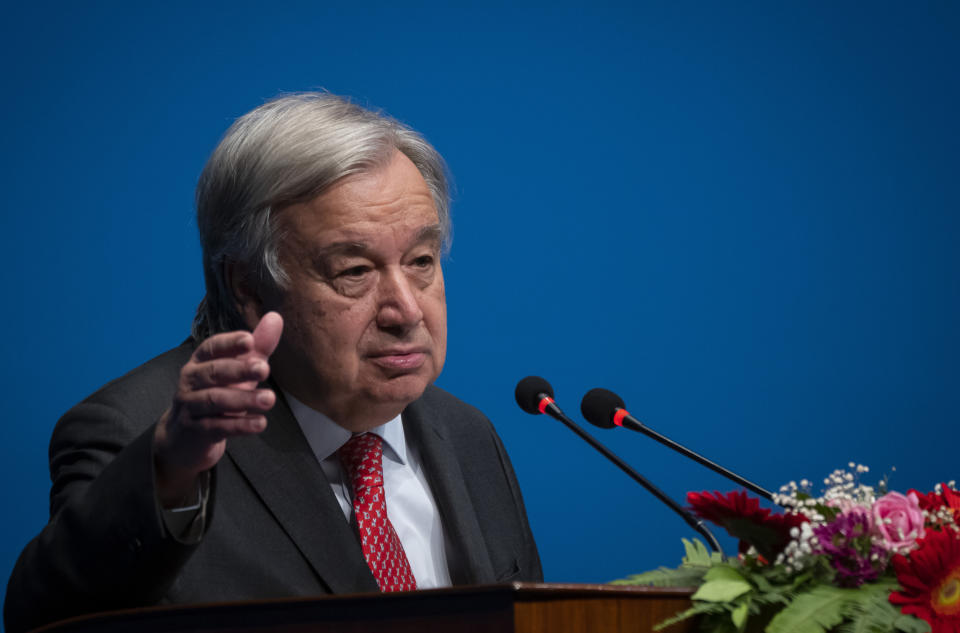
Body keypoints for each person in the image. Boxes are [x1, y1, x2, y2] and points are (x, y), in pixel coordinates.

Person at [4, 93, 542, 633]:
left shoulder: (468, 435)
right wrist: (170, 475)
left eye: (421, 262)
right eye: (354, 271)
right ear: (249, 286)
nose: (405, 309)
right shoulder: (148, 439)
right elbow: (44, 620)